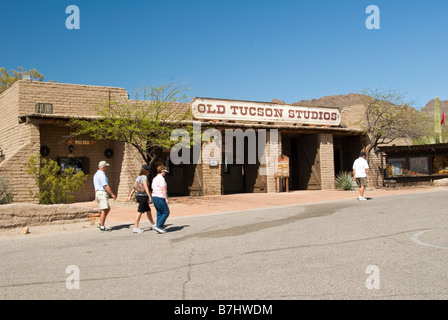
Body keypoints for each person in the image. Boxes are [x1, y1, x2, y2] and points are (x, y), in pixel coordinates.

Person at [126, 165, 156, 233]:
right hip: (143, 196)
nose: (148, 173)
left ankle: (153, 224)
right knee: (139, 212)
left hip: (138, 196)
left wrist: (130, 195)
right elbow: (145, 186)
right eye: (148, 171)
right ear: (146, 171)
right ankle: (135, 227)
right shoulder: (144, 177)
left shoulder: (138, 177)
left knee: (148, 210)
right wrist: (149, 196)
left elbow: (134, 187)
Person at [93, 161, 116, 231]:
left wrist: (95, 196)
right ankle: (102, 226)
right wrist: (112, 194)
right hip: (102, 192)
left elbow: (95, 186)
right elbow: (105, 185)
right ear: (103, 167)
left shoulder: (96, 174)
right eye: (106, 166)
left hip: (98, 192)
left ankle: (101, 222)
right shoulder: (102, 175)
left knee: (107, 208)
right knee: (104, 209)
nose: (107, 168)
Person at [151, 165, 170, 234]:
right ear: (162, 171)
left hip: (154, 196)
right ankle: (159, 226)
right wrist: (166, 198)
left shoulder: (155, 178)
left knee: (159, 212)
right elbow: (163, 188)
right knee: (166, 212)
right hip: (160, 197)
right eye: (164, 172)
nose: (165, 173)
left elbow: (152, 187)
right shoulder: (161, 179)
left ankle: (159, 226)